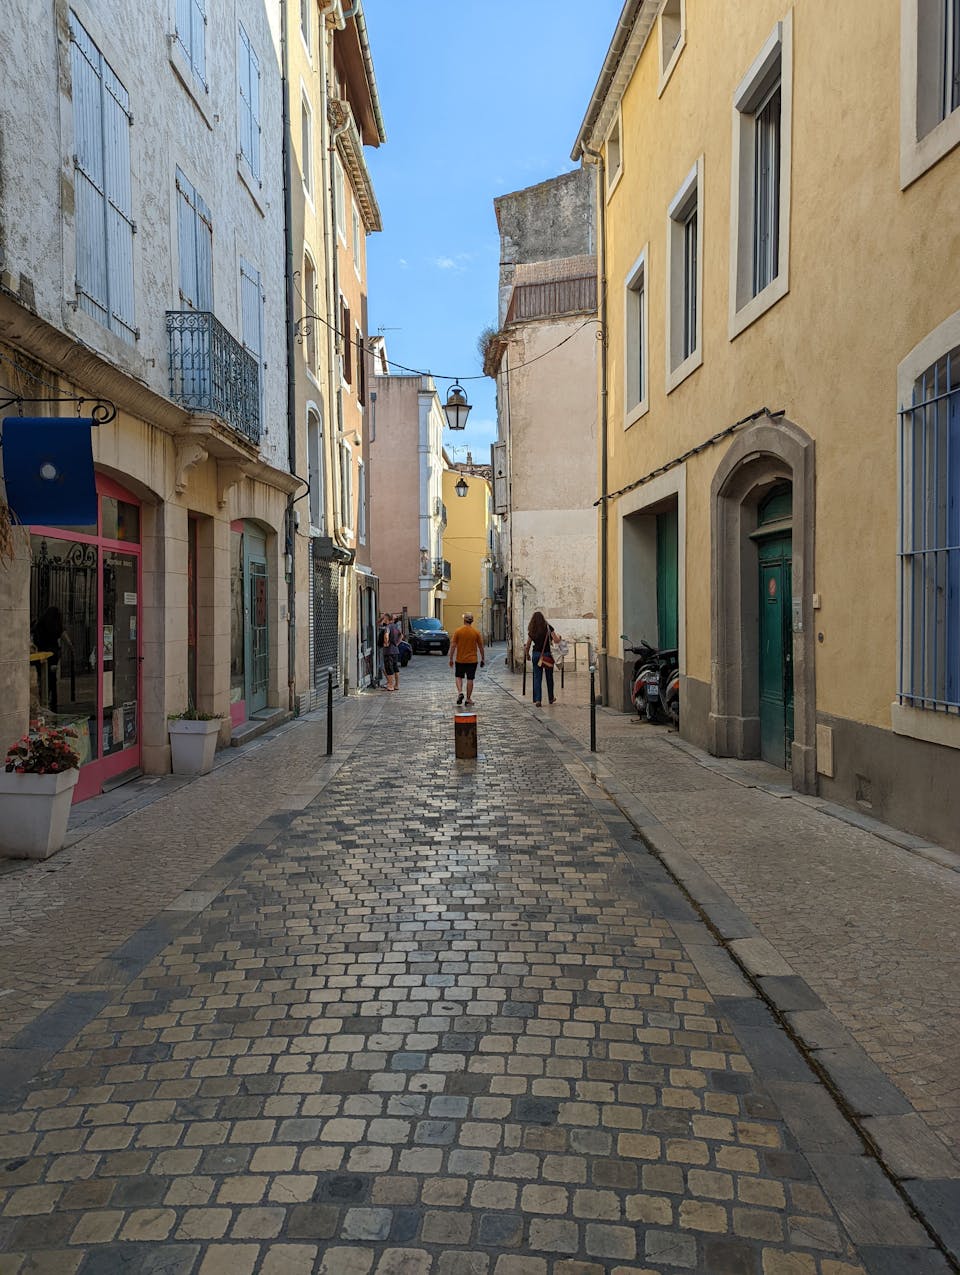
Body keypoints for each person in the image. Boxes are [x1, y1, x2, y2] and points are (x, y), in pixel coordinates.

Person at [31, 606, 72, 713]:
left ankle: (43, 701)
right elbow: (64, 637)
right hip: (52, 655)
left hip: (40, 655)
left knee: (42, 678)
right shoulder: (56, 625)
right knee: (52, 680)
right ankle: (52, 704)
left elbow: (34, 638)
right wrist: (71, 647)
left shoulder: (40, 624)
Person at [524, 610, 562, 708]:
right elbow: (556, 640)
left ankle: (538, 699)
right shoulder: (548, 627)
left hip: (536, 655)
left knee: (537, 677)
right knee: (549, 677)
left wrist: (527, 655)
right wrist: (560, 638)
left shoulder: (532, 629)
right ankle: (550, 698)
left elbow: (528, 645)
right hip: (547, 655)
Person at [449, 612, 485, 706]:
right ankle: (468, 699)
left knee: (458, 676)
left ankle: (460, 692)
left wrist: (451, 658)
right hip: (472, 660)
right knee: (470, 679)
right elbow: (481, 647)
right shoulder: (476, 632)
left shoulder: (458, 631)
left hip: (460, 659)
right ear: (472, 621)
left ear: (464, 620)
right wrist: (483, 659)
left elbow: (453, 646)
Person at [381, 612, 399, 691]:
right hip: (395, 650)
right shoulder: (395, 626)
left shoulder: (387, 627)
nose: (383, 619)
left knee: (389, 668)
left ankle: (390, 685)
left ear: (387, 619)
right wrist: (397, 643)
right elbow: (401, 635)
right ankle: (396, 685)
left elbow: (386, 635)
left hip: (388, 651)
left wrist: (386, 643)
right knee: (395, 668)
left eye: (384, 618)